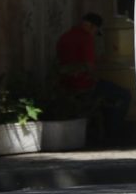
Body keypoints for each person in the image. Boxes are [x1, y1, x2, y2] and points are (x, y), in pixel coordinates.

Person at [56, 13, 131, 144]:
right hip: (84, 85)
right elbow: (90, 68)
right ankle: (113, 135)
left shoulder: (64, 37)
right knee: (124, 95)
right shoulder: (86, 39)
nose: (94, 34)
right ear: (91, 26)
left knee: (106, 95)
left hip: (66, 85)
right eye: (96, 30)